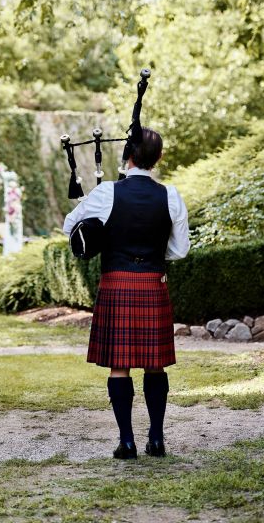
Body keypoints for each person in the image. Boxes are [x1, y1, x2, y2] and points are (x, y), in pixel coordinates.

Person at [63, 127, 189, 460]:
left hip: (117, 285)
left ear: (127, 156)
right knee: (155, 365)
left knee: (119, 365)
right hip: (153, 283)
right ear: (159, 158)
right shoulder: (171, 195)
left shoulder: (106, 193)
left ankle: (127, 442)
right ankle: (158, 440)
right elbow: (179, 250)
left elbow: (70, 227)